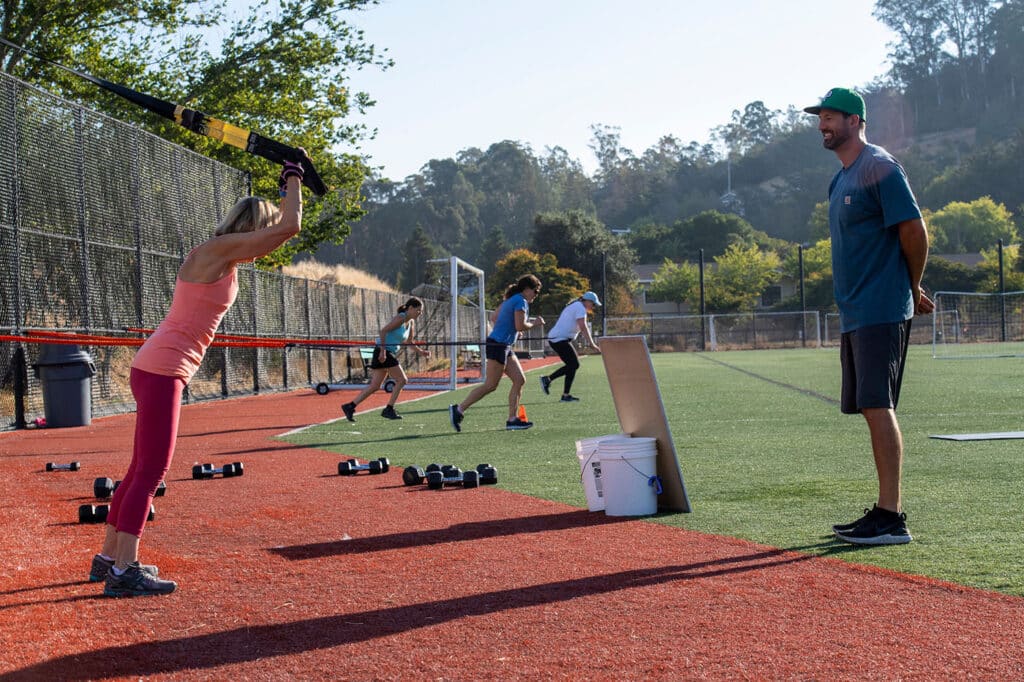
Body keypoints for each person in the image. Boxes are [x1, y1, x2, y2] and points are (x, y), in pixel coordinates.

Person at [91, 156, 307, 596]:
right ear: (253, 228)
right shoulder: (218, 252)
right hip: (162, 368)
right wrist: (293, 177)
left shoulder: (218, 254)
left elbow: (280, 234)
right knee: (152, 471)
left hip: (158, 366)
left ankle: (110, 557)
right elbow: (289, 228)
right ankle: (123, 572)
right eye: (262, 232)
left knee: (138, 469)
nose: (267, 244)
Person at [804, 87, 934, 545]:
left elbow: (914, 231)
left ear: (855, 120)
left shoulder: (879, 166)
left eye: (832, 117)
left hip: (882, 307)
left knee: (879, 406)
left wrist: (912, 286)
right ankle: (883, 509)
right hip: (856, 312)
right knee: (869, 407)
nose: (823, 124)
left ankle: (891, 517)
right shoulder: (840, 180)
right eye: (820, 117)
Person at [449, 274, 544, 431]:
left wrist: (511, 329)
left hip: (503, 345)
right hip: (499, 345)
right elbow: (520, 326)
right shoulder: (521, 301)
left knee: (519, 380)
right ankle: (458, 409)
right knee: (490, 385)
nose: (536, 295)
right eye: (535, 291)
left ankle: (512, 419)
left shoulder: (511, 299)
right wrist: (535, 323)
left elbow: (494, 317)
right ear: (527, 289)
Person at [341, 297, 430, 421]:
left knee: (375, 386)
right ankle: (389, 409)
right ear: (410, 308)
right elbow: (383, 331)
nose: (419, 313)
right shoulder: (400, 318)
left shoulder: (411, 323)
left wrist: (422, 352)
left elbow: (409, 342)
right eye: (418, 310)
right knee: (402, 380)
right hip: (383, 352)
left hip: (387, 352)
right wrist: (382, 352)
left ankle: (350, 406)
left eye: (421, 311)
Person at [539, 291, 602, 402]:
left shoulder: (577, 305)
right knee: (574, 364)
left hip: (559, 339)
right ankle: (547, 379)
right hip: (559, 339)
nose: (593, 306)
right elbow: (583, 327)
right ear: (587, 301)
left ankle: (565, 395)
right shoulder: (580, 307)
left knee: (572, 365)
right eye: (593, 304)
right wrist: (592, 344)